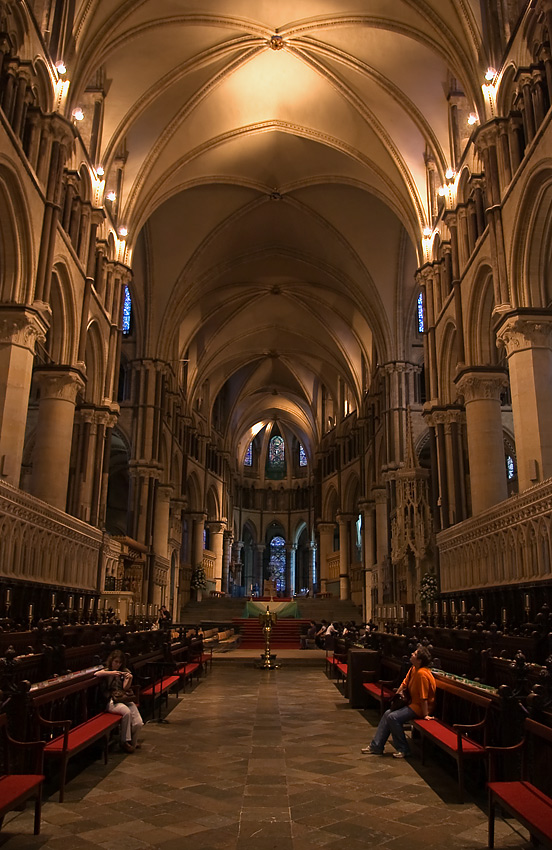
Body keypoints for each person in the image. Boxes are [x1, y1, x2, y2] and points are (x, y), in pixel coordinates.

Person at [361, 646, 436, 759]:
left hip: (420, 707)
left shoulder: (423, 674)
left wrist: (425, 715)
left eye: (415, 654)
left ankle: (403, 749)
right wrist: (397, 697)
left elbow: (424, 698)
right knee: (388, 714)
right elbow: (404, 683)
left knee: (393, 717)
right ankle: (376, 746)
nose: (412, 654)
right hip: (412, 704)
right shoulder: (414, 669)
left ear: (420, 660)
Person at [95, 649, 143, 753]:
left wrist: (129, 678)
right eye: (116, 662)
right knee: (126, 712)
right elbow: (96, 674)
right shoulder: (107, 671)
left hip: (123, 698)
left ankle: (133, 742)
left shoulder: (123, 671)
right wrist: (111, 673)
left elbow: (125, 688)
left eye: (119, 663)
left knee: (138, 722)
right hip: (111, 701)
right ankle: (124, 741)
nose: (117, 664)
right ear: (111, 660)